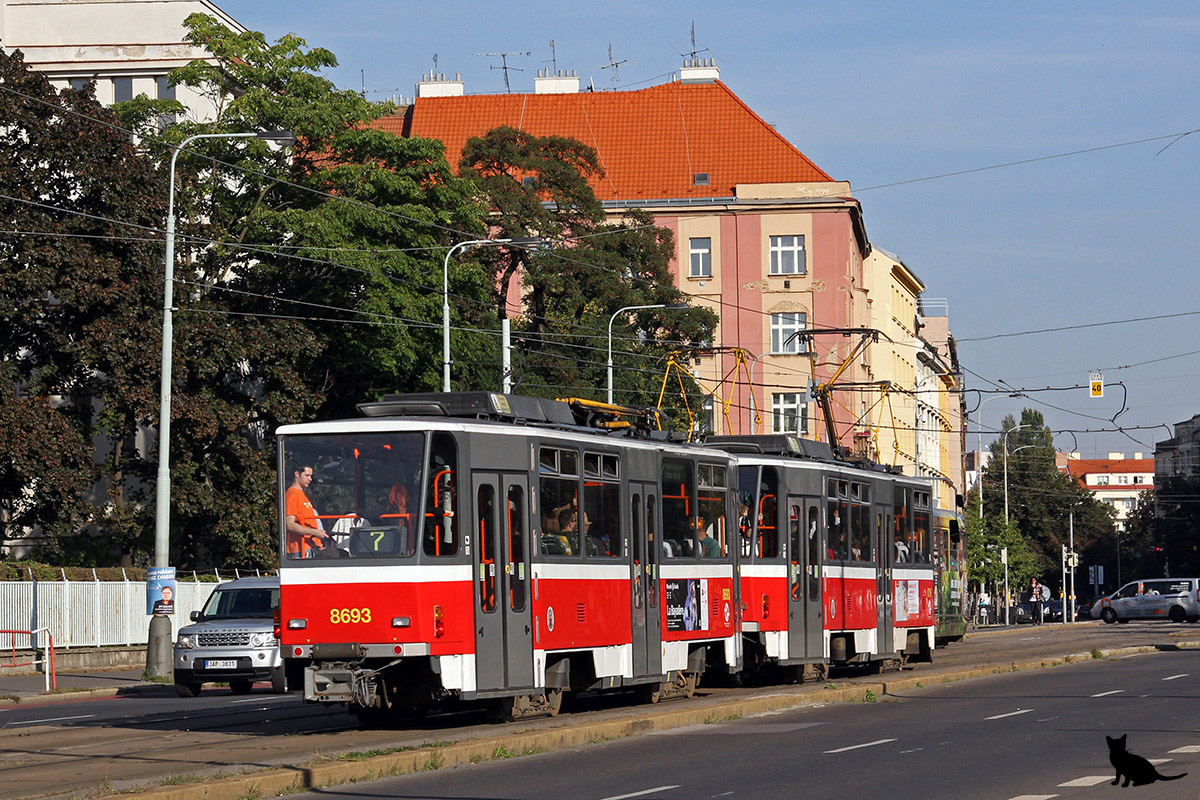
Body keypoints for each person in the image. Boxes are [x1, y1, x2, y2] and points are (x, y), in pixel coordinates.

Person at [286, 464, 329, 558]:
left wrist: (318, 543)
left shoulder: (302, 494)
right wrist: (315, 532)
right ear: (297, 474)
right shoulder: (292, 495)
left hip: (311, 546)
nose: (310, 479)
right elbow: (290, 524)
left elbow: (309, 521)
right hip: (300, 550)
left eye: (311, 476)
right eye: (307, 475)